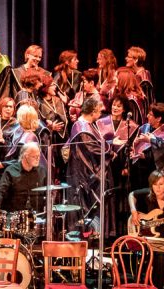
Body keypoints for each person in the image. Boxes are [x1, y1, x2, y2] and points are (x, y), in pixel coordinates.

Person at [65, 98, 113, 234]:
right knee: (86, 204)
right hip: (84, 172)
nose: (101, 114)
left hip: (86, 169)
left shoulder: (86, 125)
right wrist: (110, 151)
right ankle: (87, 235)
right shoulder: (81, 127)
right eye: (99, 111)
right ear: (93, 112)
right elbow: (92, 147)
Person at [127, 102, 164, 190]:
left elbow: (163, 156)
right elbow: (134, 146)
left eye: (150, 114)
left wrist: (145, 156)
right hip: (136, 170)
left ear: (158, 118)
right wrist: (134, 147)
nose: (147, 116)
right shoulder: (144, 127)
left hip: (151, 172)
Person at [0, 142, 47, 212]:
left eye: (39, 156)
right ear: (25, 156)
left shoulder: (43, 171)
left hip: (38, 214)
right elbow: (0, 190)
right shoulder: (11, 170)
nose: (38, 159)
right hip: (15, 215)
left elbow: (50, 191)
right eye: (34, 156)